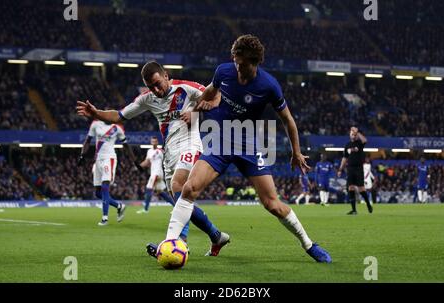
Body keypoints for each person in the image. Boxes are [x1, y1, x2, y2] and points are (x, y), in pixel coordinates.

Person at [160, 34, 331, 263]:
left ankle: (309, 245)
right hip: (219, 139)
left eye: (242, 64)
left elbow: (288, 120)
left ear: (255, 62)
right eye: (235, 62)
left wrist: (296, 152)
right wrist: (196, 110)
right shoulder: (224, 71)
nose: (238, 68)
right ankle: (170, 242)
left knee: (272, 204)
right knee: (189, 188)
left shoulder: (269, 86)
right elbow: (209, 93)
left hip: (248, 144)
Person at [76, 61, 228, 255]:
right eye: (151, 87)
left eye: (158, 83)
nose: (156, 90)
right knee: (181, 200)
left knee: (178, 186)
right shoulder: (146, 99)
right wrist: (96, 113)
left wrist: (197, 112)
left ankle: (177, 243)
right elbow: (119, 116)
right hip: (169, 154)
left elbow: (216, 96)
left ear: (166, 75)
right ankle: (216, 236)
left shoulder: (186, 88)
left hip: (191, 144)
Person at [78, 120, 138, 226]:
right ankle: (119, 206)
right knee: (97, 193)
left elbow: (126, 145)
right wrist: (82, 155)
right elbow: (87, 140)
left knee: (105, 187)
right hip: (98, 160)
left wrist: (134, 161)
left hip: (109, 158)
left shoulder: (117, 128)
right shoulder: (95, 124)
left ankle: (105, 218)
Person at [337, 126, 373, 215]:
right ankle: (354, 210)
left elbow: (365, 140)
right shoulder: (347, 145)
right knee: (350, 187)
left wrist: (358, 132)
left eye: (354, 134)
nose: (353, 135)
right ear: (350, 135)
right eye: (352, 134)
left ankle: (368, 204)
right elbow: (344, 158)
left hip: (359, 168)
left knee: (361, 188)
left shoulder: (359, 143)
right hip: (350, 168)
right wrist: (340, 169)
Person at [136, 136, 176, 214]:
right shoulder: (149, 151)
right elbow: (147, 161)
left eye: (155, 141)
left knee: (148, 188)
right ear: (151, 142)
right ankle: (176, 206)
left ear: (157, 142)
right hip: (154, 172)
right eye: (152, 141)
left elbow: (167, 158)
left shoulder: (160, 151)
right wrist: (139, 166)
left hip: (157, 173)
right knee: (161, 192)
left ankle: (146, 209)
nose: (154, 143)